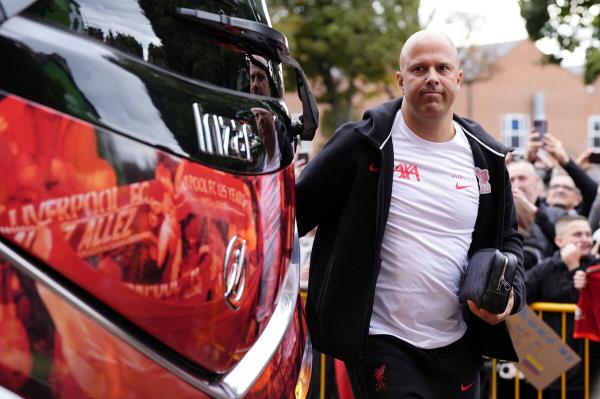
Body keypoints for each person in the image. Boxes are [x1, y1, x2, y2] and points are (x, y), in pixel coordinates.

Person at [296, 30, 525, 399]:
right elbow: (292, 215)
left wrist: (511, 296)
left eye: (442, 67)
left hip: (458, 345)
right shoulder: (364, 143)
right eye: (420, 68)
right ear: (401, 80)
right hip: (382, 340)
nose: (432, 76)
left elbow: (510, 239)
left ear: (458, 78)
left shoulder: (486, 158)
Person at [525, 215, 600, 399]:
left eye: (588, 234)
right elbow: (520, 296)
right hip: (551, 365)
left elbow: (586, 310)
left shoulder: (596, 266)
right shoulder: (546, 268)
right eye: (577, 234)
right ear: (559, 240)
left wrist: (574, 267)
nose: (585, 239)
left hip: (589, 364)